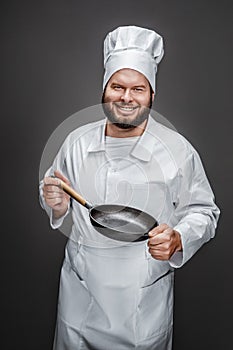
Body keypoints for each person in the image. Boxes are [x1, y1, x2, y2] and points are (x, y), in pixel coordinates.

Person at [40, 26, 220, 350]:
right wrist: (55, 203)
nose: (126, 97)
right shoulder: (75, 142)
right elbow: (58, 194)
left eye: (138, 88)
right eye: (117, 86)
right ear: (104, 89)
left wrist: (179, 238)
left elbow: (204, 211)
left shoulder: (177, 149)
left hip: (141, 309)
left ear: (152, 94)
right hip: (79, 301)